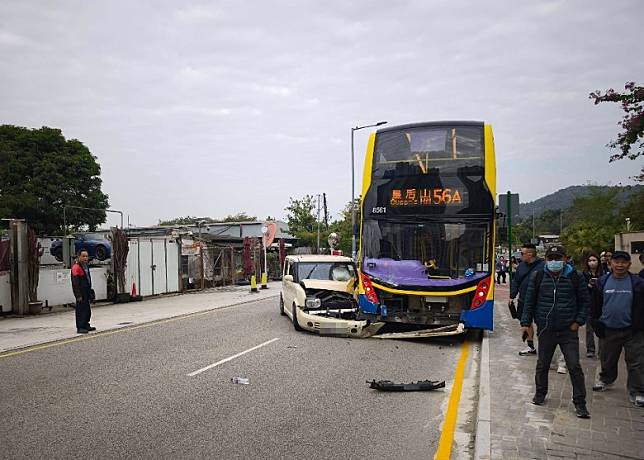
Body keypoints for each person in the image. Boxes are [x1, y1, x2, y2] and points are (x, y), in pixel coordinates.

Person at [521, 245, 591, 418]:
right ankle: (540, 394)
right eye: (551, 258)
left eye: (558, 258)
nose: (554, 262)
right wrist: (526, 322)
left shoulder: (575, 276)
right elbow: (529, 301)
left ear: (565, 259)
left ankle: (580, 403)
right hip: (546, 329)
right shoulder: (538, 276)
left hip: (568, 330)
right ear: (545, 260)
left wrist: (578, 322)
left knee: (574, 366)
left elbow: (585, 302)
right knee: (543, 364)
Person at [590, 251, 644, 408]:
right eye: (616, 262)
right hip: (608, 329)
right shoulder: (601, 282)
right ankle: (606, 380)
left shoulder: (638, 283)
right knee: (607, 359)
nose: (620, 265)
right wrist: (596, 323)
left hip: (632, 331)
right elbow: (594, 306)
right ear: (610, 263)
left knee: (637, 362)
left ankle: (637, 391)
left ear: (629, 264)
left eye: (623, 262)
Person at [509, 243, 544, 356]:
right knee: (525, 322)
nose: (520, 256)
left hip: (539, 300)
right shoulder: (521, 266)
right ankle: (530, 346)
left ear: (530, 254)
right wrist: (512, 295)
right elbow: (516, 281)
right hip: (524, 300)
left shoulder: (542, 266)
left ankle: (545, 347)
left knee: (542, 323)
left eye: (522, 253)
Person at [581, 252, 605, 358]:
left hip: (601, 303)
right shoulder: (584, 274)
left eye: (594, 260)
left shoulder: (604, 273)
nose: (592, 263)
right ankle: (590, 349)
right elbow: (581, 289)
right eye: (590, 260)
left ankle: (602, 350)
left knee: (601, 327)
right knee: (589, 329)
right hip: (589, 303)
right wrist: (588, 285)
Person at [71, 250, 96, 334]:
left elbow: (87, 279)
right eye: (83, 256)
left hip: (86, 291)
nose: (85, 258)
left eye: (86, 256)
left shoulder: (85, 266)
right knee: (81, 310)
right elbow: (75, 284)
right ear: (79, 257)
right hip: (81, 293)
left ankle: (86, 324)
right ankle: (80, 326)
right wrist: (78, 296)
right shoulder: (76, 267)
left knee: (87, 310)